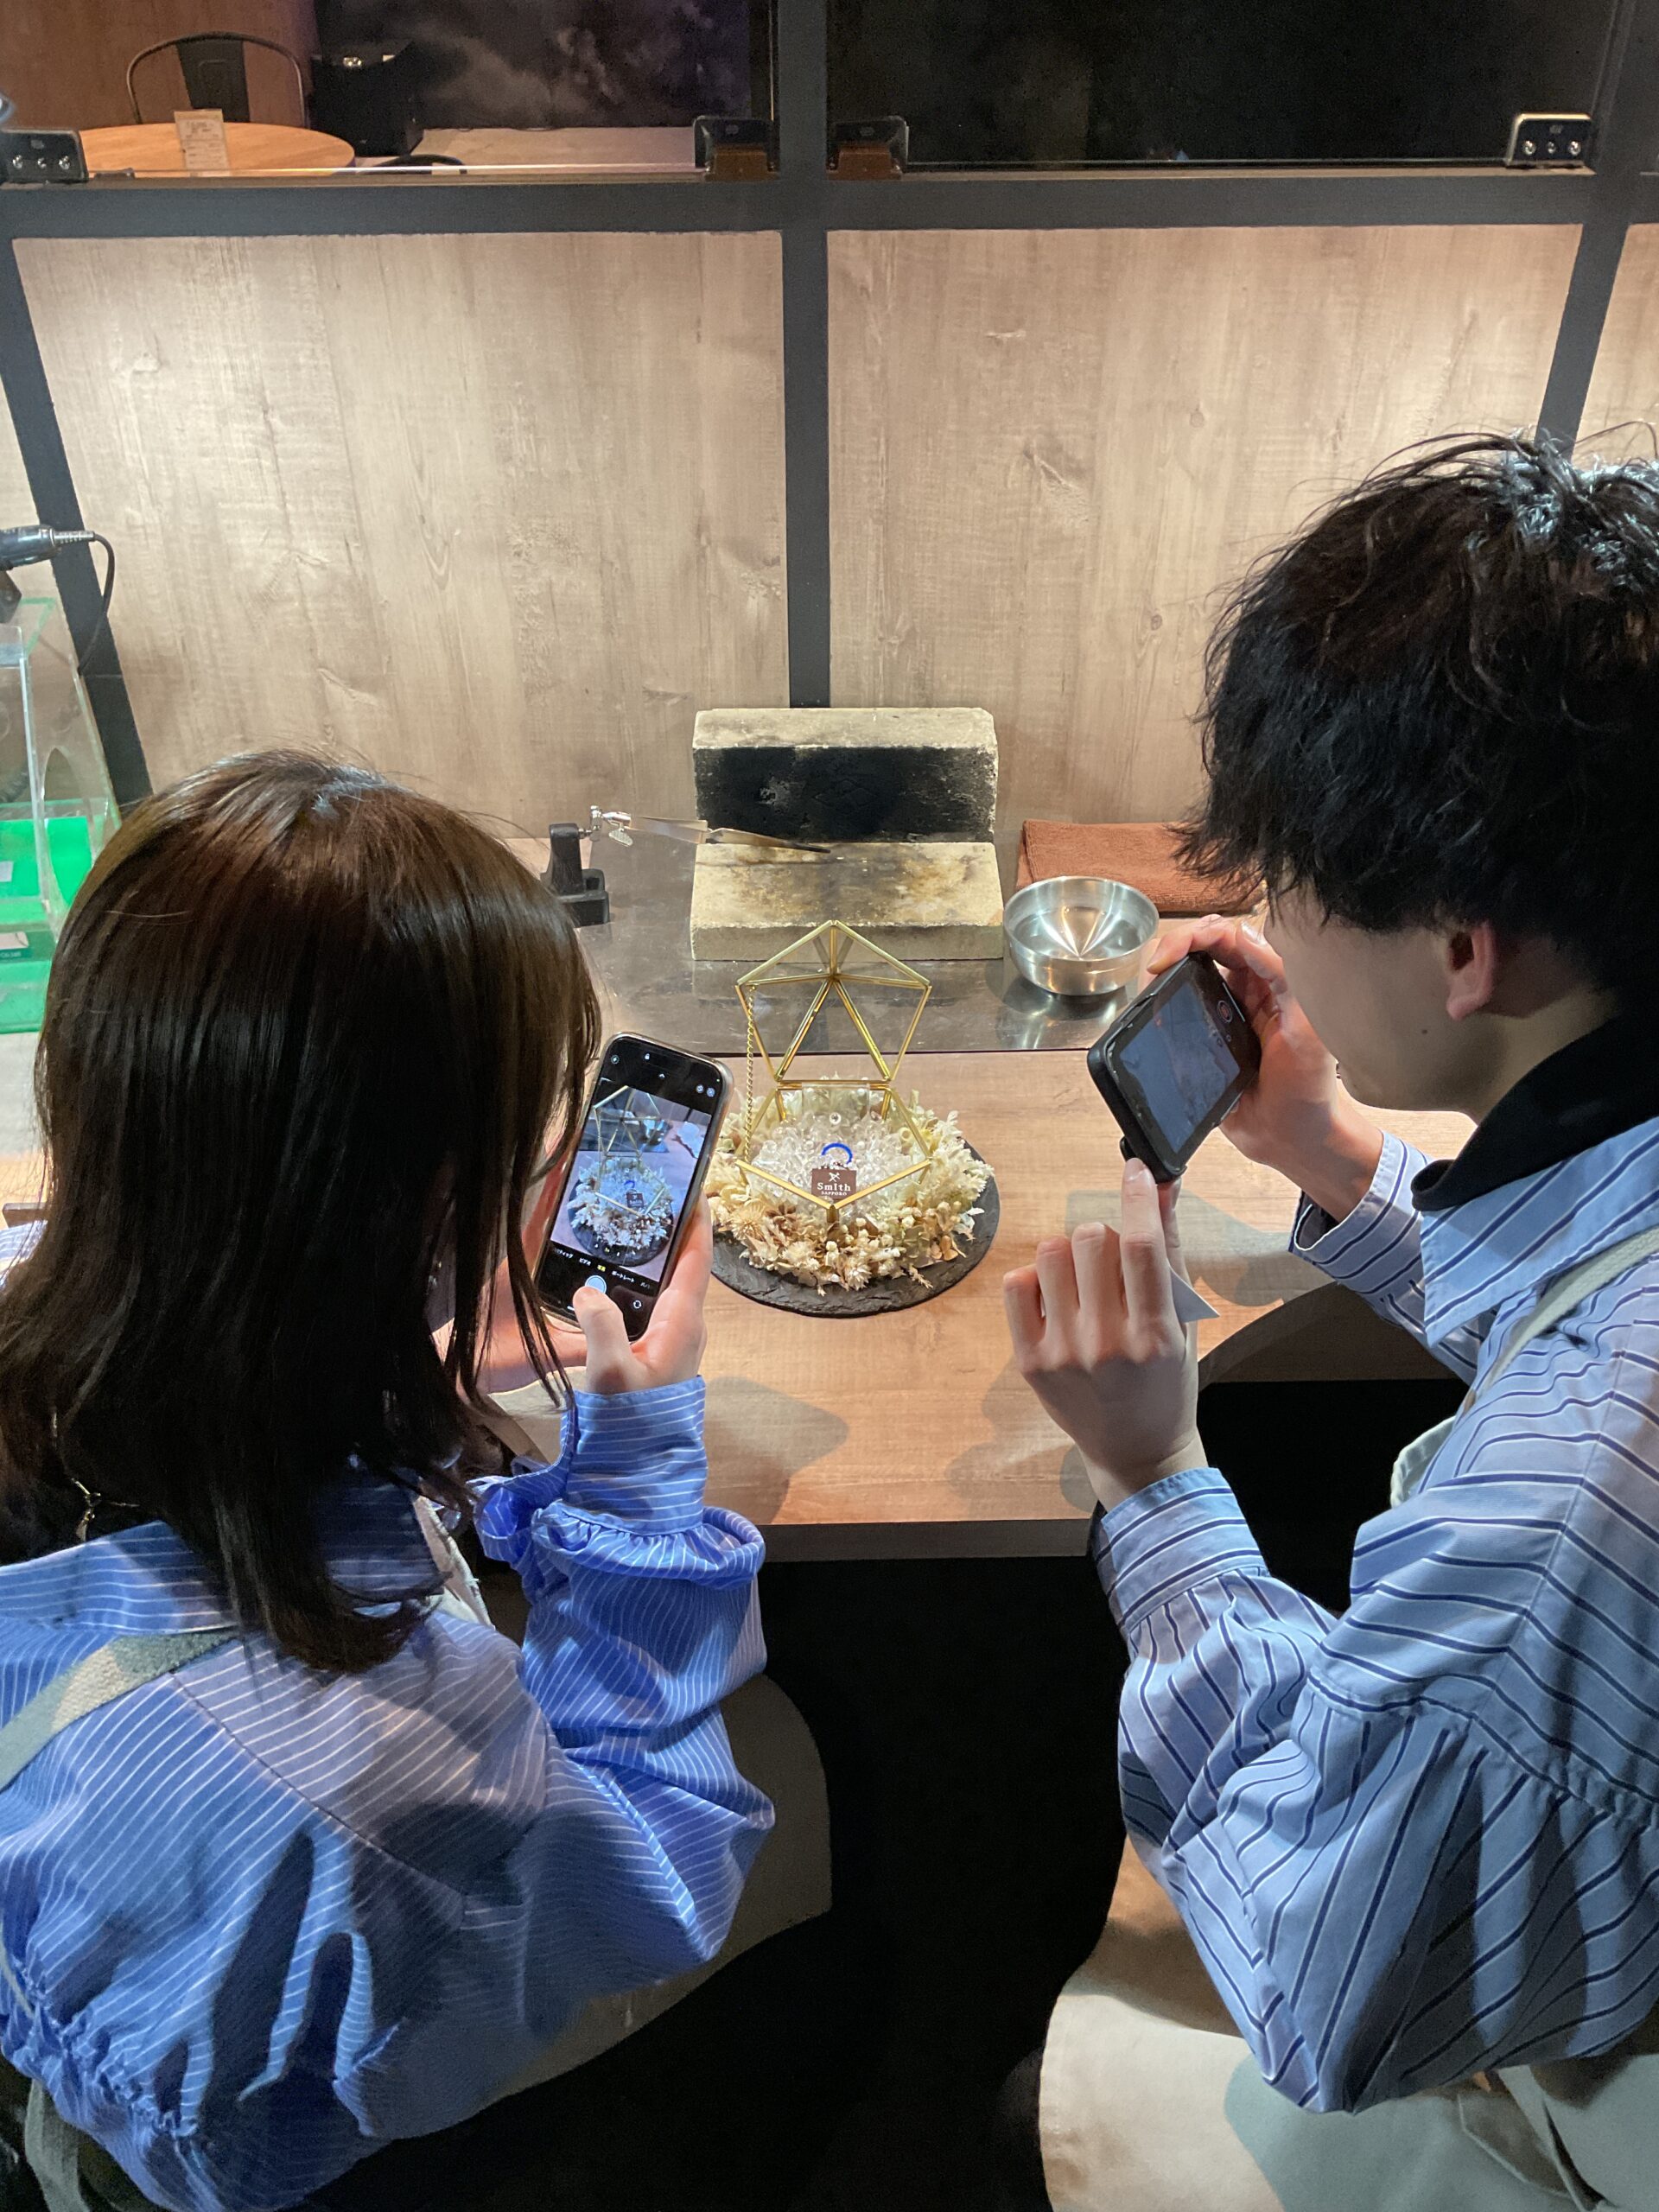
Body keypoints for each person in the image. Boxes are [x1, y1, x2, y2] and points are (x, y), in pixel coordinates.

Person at [1000, 435, 1659, 2210]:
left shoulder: (1555, 1537)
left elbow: (1326, 1979)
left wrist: (1154, 1477)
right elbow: (1587, 1303)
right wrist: (1338, 1159)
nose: (1263, 914)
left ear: (1464, 950)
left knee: (1038, 2089)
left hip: (1560, 2099)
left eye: (1287, 876)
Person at [0, 753, 785, 2211]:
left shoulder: (49, 1330)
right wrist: (637, 1474)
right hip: (278, 2144)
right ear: (418, 1207)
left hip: (95, 1960)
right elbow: (660, 1876)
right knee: (810, 1804)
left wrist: (395, 1364)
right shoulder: (377, 1766)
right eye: (515, 1155)